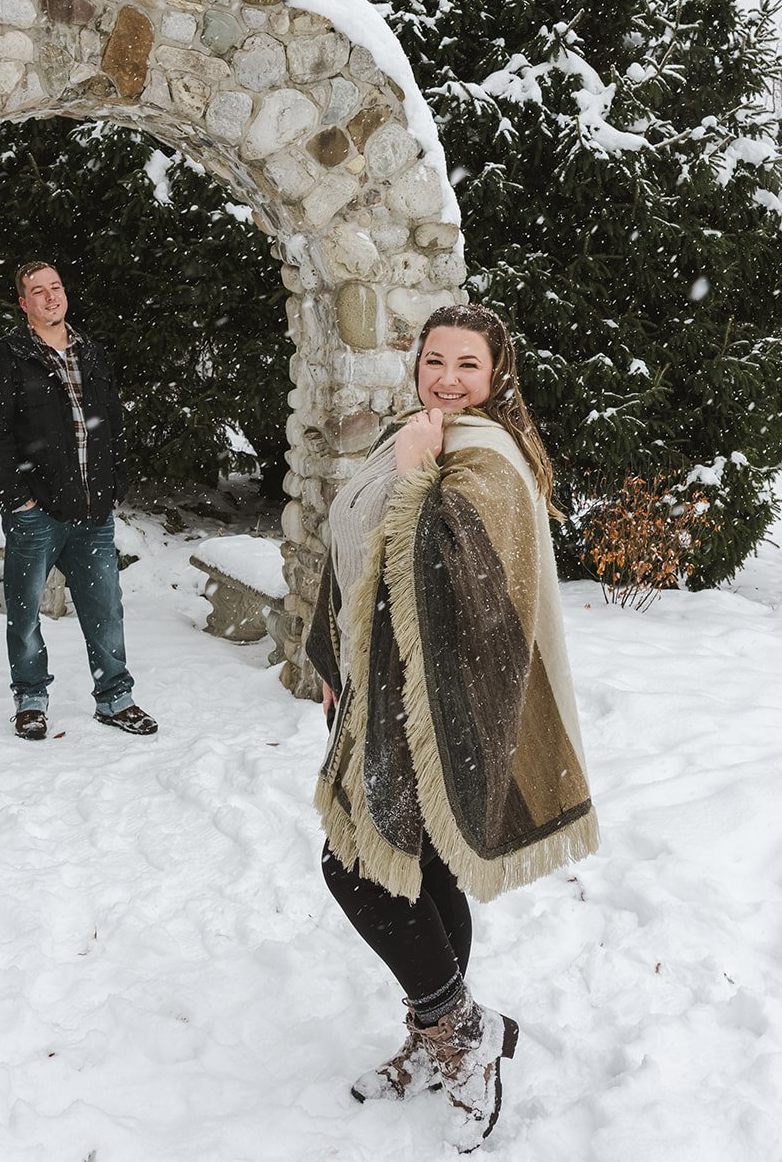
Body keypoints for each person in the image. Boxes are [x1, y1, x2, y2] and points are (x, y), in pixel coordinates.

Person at [306, 304, 598, 1152]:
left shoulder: (486, 455)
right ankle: (446, 1035)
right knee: (414, 869)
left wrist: (416, 477)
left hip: (444, 704)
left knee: (357, 863)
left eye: (465, 365)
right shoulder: (420, 432)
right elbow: (353, 546)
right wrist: (339, 665)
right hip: (386, 692)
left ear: (495, 375)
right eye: (434, 360)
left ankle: (459, 1033)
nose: (445, 378)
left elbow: (453, 575)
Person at [0, 260, 157, 742]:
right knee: (26, 612)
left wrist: (115, 485)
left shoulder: (92, 353)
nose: (51, 296)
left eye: (56, 287)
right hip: (36, 516)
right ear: (24, 303)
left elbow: (112, 425)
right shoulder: (10, 356)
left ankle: (116, 699)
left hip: (94, 514)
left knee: (106, 610)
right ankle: (31, 701)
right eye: (39, 291)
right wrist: (19, 500)